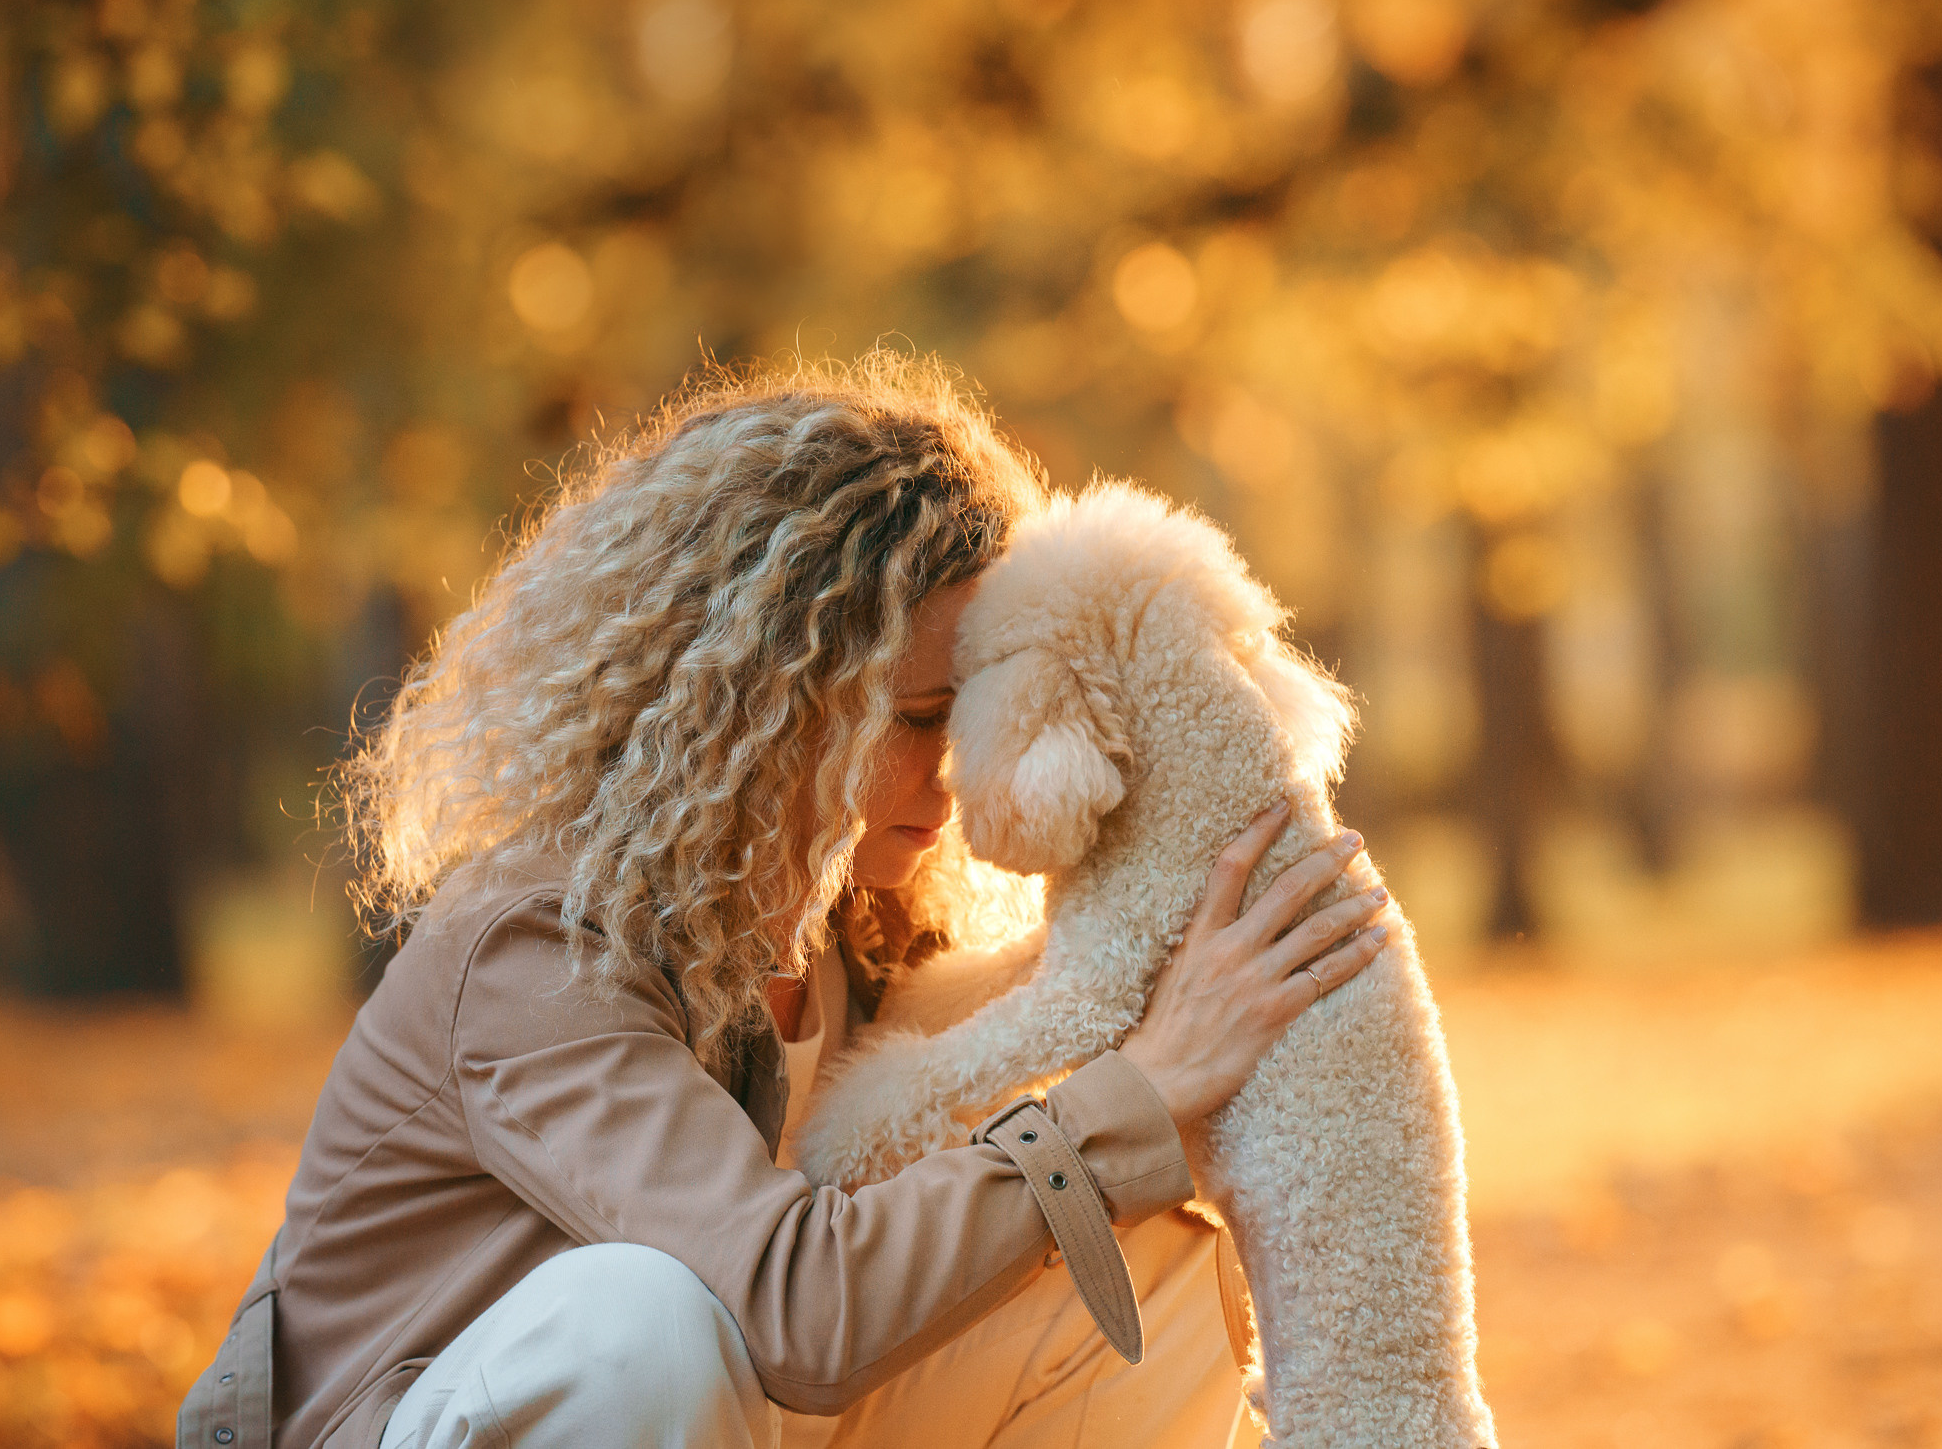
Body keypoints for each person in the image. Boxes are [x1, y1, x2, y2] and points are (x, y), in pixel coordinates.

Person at [179, 353, 1389, 1449]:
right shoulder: (537, 946)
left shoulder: (856, 930)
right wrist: (1142, 1093)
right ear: (767, 702)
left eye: (975, 716)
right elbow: (792, 1307)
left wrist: (1143, 968)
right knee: (644, 1317)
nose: (960, 768)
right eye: (920, 719)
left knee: (1133, 1272)